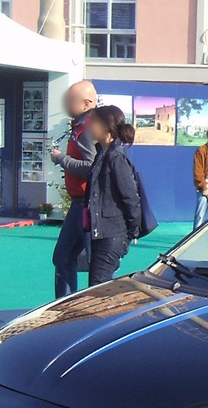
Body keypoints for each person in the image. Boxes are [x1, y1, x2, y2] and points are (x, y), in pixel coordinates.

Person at [48, 80, 97, 298]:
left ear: (86, 104)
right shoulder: (81, 126)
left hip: (88, 205)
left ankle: (83, 311)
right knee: (64, 257)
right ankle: (65, 308)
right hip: (80, 203)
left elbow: (91, 168)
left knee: (97, 266)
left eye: (71, 101)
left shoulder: (88, 129)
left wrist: (61, 159)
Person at [85, 106, 140, 287]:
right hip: (102, 231)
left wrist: (132, 232)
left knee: (98, 286)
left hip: (113, 233)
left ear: (106, 126)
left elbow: (130, 196)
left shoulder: (116, 157)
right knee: (98, 285)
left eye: (93, 122)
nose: (89, 126)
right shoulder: (102, 154)